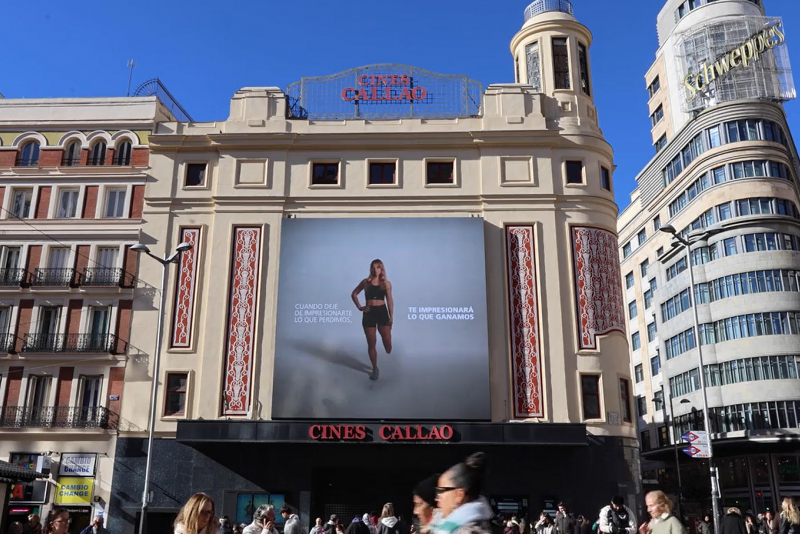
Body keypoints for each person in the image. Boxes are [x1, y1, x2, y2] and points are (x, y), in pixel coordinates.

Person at [351, 259, 394, 381]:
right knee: (371, 343)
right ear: (371, 269)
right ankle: (375, 368)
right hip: (369, 313)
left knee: (387, 345)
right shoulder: (366, 282)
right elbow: (354, 294)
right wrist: (360, 307)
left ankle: (388, 344)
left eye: (378, 267)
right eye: (373, 267)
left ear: (381, 269)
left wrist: (391, 316)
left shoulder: (386, 284)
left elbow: (390, 301)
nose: (375, 270)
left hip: (382, 312)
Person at [432, 452, 493, 534]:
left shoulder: (470, 530)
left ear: (459, 495)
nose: (437, 498)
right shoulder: (449, 527)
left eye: (441, 491)